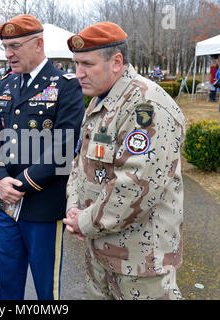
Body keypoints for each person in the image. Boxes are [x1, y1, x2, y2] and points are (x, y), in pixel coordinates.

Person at [64, 22, 185, 300]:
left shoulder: (146, 106)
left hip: (140, 262)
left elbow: (134, 187)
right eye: (75, 64)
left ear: (116, 62)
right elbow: (80, 163)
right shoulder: (100, 101)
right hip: (101, 249)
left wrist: (82, 222)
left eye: (86, 64)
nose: (77, 73)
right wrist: (74, 207)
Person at [0, 14, 85, 300]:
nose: (8, 54)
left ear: (39, 44)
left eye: (15, 46)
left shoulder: (65, 85)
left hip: (42, 204)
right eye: (4, 46)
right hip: (6, 204)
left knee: (46, 288)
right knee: (6, 283)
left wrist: (18, 185)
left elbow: (64, 146)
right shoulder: (6, 85)